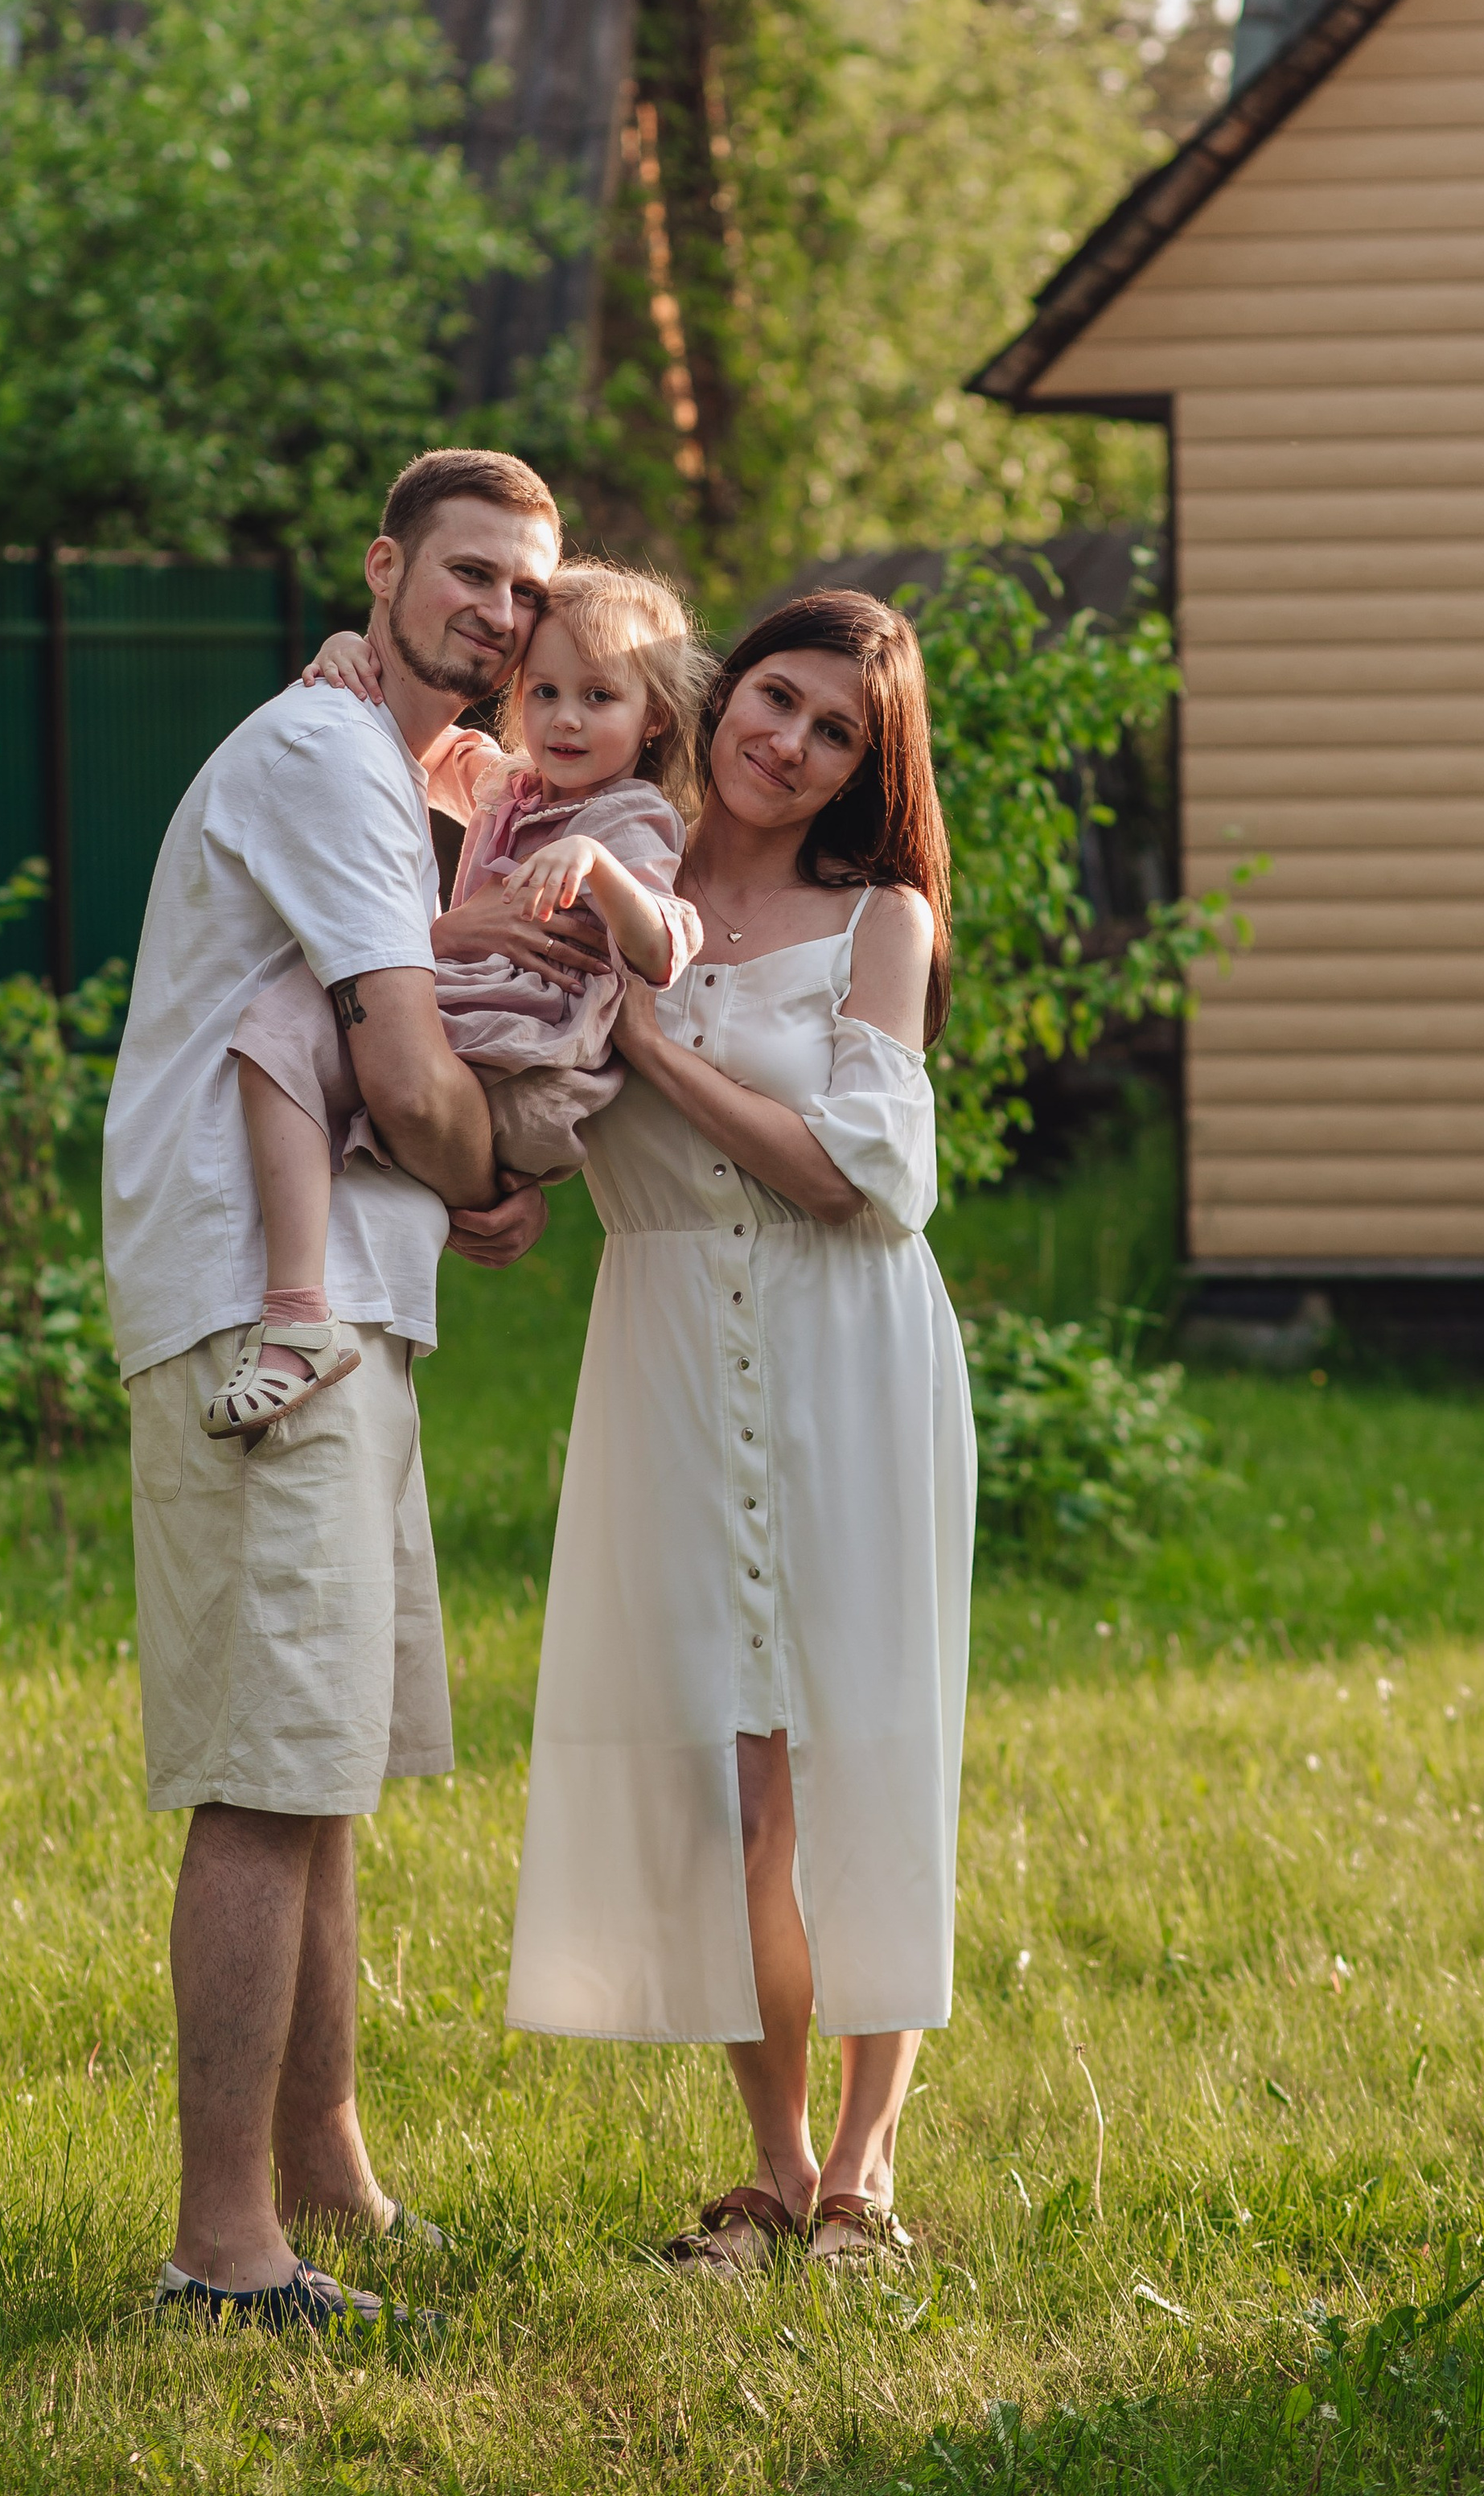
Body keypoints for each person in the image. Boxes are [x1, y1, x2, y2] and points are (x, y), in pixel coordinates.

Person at [101, 447, 578, 2334]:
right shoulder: (317, 759)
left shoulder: (394, 763)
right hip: (254, 1310)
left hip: (350, 1313)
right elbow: (396, 1057)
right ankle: (222, 2247)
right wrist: (488, 1171)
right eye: (468, 575)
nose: (499, 613)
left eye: (527, 592)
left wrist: (457, 1163)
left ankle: (325, 2172)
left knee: (325, 1774)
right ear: (386, 569)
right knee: (261, 1765)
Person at [501, 590, 976, 2273]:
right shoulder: (601, 865)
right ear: (720, 692)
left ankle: (862, 2178)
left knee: (858, 1750)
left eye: (835, 729)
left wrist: (643, 1037)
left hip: (846, 1346)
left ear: (865, 764)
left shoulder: (879, 923)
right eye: (776, 697)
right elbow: (505, 1064)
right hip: (668, 1356)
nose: (788, 741)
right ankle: (768, 2171)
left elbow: (850, 1173)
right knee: (728, 1777)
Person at [208, 564, 710, 1441]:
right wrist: (346, 657)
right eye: (544, 691)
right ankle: (297, 1312)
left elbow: (666, 943)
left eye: (599, 696)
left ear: (653, 715)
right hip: (456, 1035)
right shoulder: (509, 788)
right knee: (279, 1026)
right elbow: (414, 740)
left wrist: (597, 869)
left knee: (315, 1032)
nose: (564, 719)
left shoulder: (631, 820)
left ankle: (313, 1301)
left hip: (528, 1064)